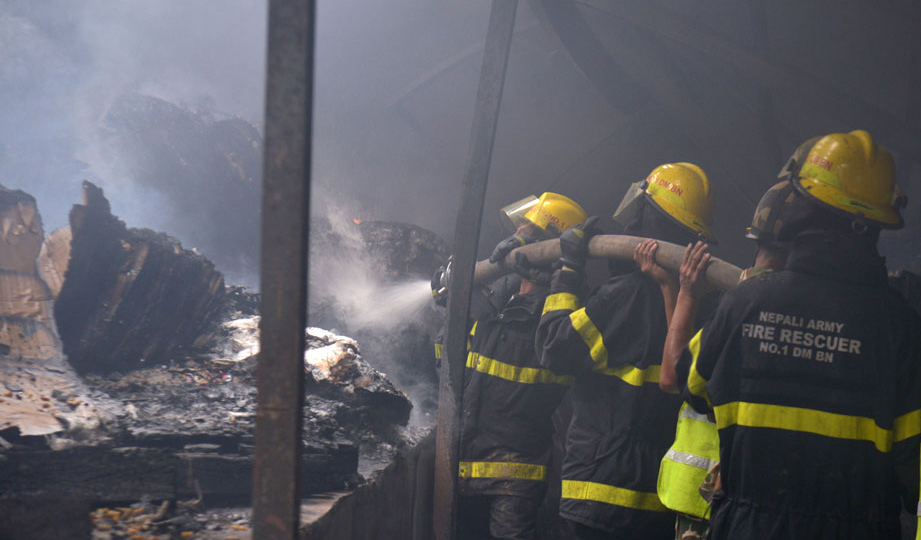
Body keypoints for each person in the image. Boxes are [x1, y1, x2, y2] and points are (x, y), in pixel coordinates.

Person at [665, 130, 920, 539]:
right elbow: (912, 468)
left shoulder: (744, 303)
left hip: (748, 527)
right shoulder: (900, 328)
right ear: (875, 223)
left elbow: (691, 385)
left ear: (801, 209)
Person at [535, 163, 715, 539]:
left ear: (647, 213)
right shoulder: (698, 299)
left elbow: (553, 347)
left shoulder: (624, 296)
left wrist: (568, 270)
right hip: (656, 499)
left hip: (596, 493)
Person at [637, 179, 799, 540]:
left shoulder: (741, 310)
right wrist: (673, 289)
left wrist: (688, 294)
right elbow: (677, 364)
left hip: (707, 501)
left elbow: (672, 378)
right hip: (742, 505)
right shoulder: (774, 312)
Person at [436, 192, 588, 540]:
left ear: (548, 244)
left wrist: (558, 278)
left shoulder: (563, 306)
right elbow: (442, 298)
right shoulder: (502, 288)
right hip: (464, 456)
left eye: (527, 230)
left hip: (515, 472)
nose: (516, 235)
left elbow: (562, 346)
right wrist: (458, 272)